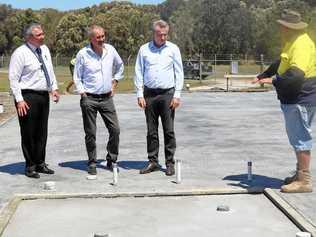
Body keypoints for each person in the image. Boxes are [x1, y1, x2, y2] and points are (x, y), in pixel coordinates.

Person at [253, 10, 316, 193]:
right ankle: (299, 174)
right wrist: (264, 75)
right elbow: (281, 62)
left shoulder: (301, 44)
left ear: (288, 27)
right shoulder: (293, 42)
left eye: (282, 26)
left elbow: (296, 74)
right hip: (295, 98)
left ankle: (304, 181)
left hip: (300, 97)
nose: (280, 29)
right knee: (297, 137)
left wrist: (273, 81)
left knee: (301, 138)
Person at [9, 23, 60, 178]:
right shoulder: (20, 53)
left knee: (42, 132)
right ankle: (30, 165)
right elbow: (13, 78)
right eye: (39, 35)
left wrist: (54, 88)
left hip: (43, 95)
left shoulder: (44, 50)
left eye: (43, 34)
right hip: (27, 96)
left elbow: (49, 70)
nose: (42, 37)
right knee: (29, 132)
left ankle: (40, 162)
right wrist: (19, 100)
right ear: (30, 37)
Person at [134, 20, 184, 176]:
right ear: (153, 33)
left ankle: (169, 163)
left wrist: (177, 95)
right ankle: (153, 161)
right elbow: (138, 72)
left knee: (169, 130)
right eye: (159, 34)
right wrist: (139, 94)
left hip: (168, 94)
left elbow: (179, 72)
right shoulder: (144, 50)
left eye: (165, 34)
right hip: (149, 95)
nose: (163, 37)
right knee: (151, 131)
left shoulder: (173, 49)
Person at [73, 25, 124, 175]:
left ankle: (112, 159)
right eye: (98, 37)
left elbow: (120, 66)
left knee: (115, 130)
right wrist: (83, 94)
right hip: (89, 98)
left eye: (103, 36)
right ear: (91, 39)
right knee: (91, 133)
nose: (102, 39)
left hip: (107, 98)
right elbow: (77, 76)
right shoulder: (83, 54)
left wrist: (115, 82)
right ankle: (92, 162)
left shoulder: (111, 50)